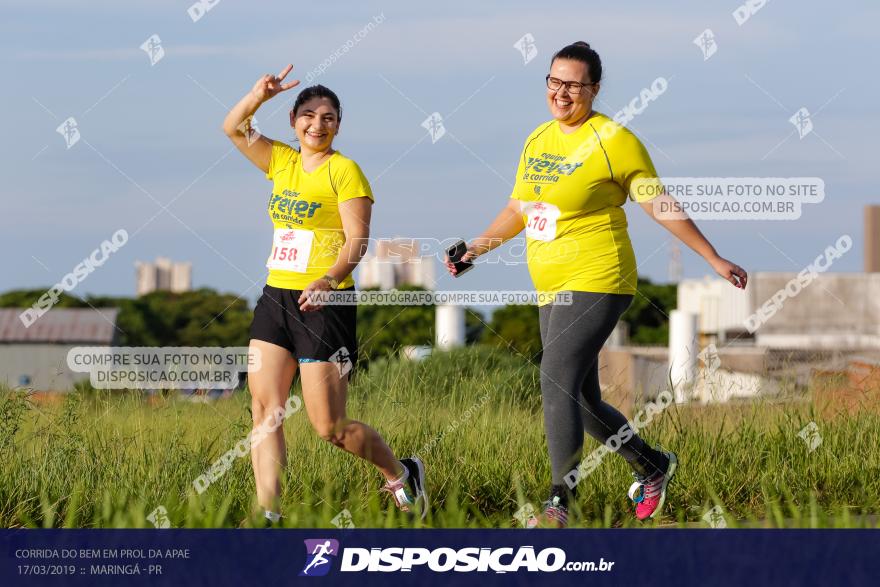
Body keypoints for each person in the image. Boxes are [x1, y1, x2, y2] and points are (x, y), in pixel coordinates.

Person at [445, 42, 747, 526]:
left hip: (600, 275)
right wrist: (476, 249)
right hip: (551, 282)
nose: (561, 93)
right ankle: (652, 466)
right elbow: (519, 209)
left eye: (573, 85)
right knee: (582, 400)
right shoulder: (538, 139)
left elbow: (657, 201)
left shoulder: (613, 139)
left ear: (595, 89)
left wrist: (709, 255)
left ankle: (558, 502)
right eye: (553, 82)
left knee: (554, 379)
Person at [223, 64, 426, 525]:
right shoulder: (281, 161)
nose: (318, 124)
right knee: (265, 410)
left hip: (325, 305)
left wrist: (329, 280)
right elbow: (232, 128)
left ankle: (401, 474)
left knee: (329, 428)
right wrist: (259, 95)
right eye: (309, 116)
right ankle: (268, 517)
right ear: (294, 120)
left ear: (338, 125)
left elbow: (357, 241)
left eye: (329, 117)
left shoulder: (345, 171)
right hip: (277, 296)